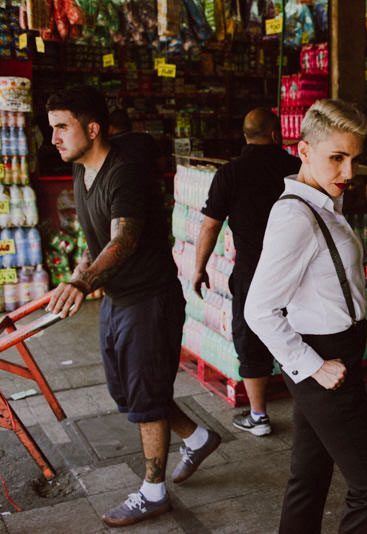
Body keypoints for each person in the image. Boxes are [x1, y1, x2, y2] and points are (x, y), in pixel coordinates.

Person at [45, 86, 221, 527]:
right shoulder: (82, 171)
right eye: (52, 129)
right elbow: (97, 243)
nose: (54, 139)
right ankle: (197, 437)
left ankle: (152, 492)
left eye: (62, 128)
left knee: (145, 397)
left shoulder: (123, 174)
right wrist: (75, 276)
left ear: (92, 128)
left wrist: (84, 283)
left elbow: (123, 240)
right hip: (120, 301)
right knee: (128, 392)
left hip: (149, 299)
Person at [244, 99, 367, 533]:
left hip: (335, 351)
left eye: (354, 159)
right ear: (303, 150)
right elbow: (259, 309)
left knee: (309, 474)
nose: (348, 172)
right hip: (325, 357)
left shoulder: (323, 205)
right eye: (337, 158)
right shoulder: (295, 216)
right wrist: (313, 366)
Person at [194, 107, 300, 436]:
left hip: (252, 270)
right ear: (276, 134)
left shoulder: (230, 174)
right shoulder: (295, 167)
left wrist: (199, 268)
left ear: (244, 135)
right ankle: (310, 414)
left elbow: (210, 226)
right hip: (296, 269)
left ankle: (259, 416)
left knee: (250, 338)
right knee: (298, 335)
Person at [107, 108, 166, 176]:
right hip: (148, 183)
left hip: (121, 185)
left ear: (110, 127)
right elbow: (162, 163)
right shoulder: (146, 138)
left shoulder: (109, 145)